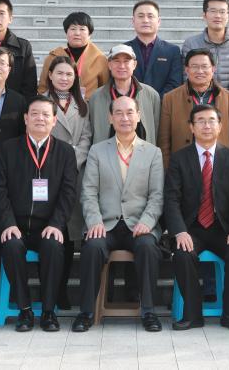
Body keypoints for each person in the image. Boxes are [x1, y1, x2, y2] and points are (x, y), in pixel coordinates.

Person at [72, 96, 165, 333]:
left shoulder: (153, 153)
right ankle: (86, 312)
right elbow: (88, 192)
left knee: (148, 247)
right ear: (110, 118)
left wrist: (147, 222)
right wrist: (94, 221)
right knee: (92, 248)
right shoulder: (97, 151)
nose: (125, 118)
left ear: (139, 116)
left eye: (130, 112)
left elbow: (157, 195)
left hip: (139, 224)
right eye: (119, 113)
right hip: (105, 224)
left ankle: (149, 311)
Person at [0, 96, 78, 332]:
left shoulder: (65, 152)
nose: (40, 118)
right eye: (35, 114)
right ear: (25, 118)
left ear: (54, 121)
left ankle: (49, 311)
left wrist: (57, 224)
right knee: (11, 245)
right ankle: (25, 310)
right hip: (16, 224)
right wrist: (8, 223)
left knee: (53, 246)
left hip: (48, 224)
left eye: (45, 115)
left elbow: (69, 193)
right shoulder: (8, 149)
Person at [164, 104, 229, 331]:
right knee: (182, 254)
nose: (206, 125)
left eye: (212, 120)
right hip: (191, 228)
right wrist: (179, 231)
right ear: (191, 127)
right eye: (200, 121)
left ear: (220, 126)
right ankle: (193, 315)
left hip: (223, 228)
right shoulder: (179, 159)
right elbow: (171, 199)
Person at [43, 55, 93, 309]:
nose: (64, 78)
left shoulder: (82, 105)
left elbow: (87, 138)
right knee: (55, 232)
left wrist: (72, 158)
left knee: (72, 235)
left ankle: (65, 290)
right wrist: (61, 157)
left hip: (76, 173)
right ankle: (53, 291)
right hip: (48, 172)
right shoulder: (41, 103)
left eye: (69, 74)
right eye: (60, 73)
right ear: (50, 75)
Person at [159, 49, 229, 169]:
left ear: (213, 69)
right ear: (186, 70)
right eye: (194, 66)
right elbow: (164, 142)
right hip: (183, 167)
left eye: (204, 66)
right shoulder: (170, 98)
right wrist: (167, 171)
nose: (200, 71)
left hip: (221, 166)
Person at [181, 0, 229, 108]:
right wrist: (204, 107)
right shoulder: (191, 44)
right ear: (204, 15)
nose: (217, 16)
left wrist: (225, 103)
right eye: (213, 11)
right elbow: (186, 77)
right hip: (197, 110)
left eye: (222, 12)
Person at [86, 44, 161, 146]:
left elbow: (156, 130)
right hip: (106, 154)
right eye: (116, 61)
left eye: (126, 61)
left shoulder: (151, 95)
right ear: (109, 65)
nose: (121, 66)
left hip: (142, 153)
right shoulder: (96, 97)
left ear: (134, 64)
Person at [37, 12, 108, 100]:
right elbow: (43, 88)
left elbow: (105, 89)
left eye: (82, 29)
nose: (77, 33)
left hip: (89, 106)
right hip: (56, 106)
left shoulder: (100, 59)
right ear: (66, 32)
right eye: (73, 28)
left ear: (89, 34)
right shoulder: (53, 57)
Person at [125, 0, 183, 96]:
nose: (145, 20)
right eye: (141, 16)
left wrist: (155, 101)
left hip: (162, 103)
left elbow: (174, 84)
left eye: (150, 16)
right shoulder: (124, 50)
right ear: (133, 21)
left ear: (158, 21)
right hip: (130, 103)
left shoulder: (172, 51)